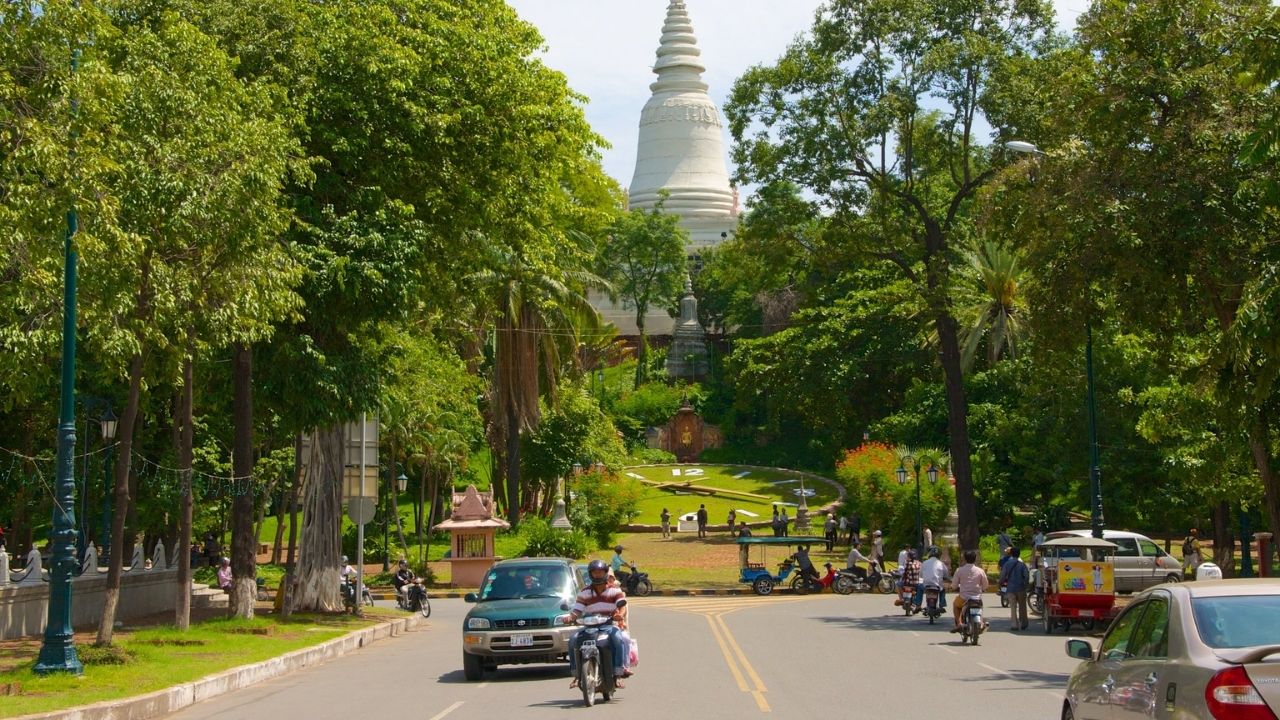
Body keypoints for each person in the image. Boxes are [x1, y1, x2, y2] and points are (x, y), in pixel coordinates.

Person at [568, 559, 629, 689]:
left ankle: (618, 673)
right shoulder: (584, 592)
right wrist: (570, 617)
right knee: (573, 640)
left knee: (618, 639)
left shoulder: (614, 590)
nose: (597, 575)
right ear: (590, 574)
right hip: (589, 626)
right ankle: (577, 675)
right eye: (595, 573)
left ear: (605, 573)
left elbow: (622, 605)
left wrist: (620, 615)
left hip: (608, 624)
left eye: (600, 572)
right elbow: (577, 609)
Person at [950, 549, 990, 633]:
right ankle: (981, 624)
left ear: (964, 559)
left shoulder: (959, 570)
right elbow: (985, 585)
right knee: (980, 608)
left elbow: (954, 585)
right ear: (975, 559)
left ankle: (959, 623)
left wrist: (953, 587)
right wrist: (983, 588)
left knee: (955, 606)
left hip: (964, 598)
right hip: (977, 598)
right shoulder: (980, 571)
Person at [1000, 546, 1030, 631]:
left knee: (1013, 607)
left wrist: (1000, 583)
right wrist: (1025, 584)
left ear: (1011, 554)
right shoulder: (1022, 564)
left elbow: (1002, 576)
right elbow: (1026, 576)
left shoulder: (1007, 564)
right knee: (1022, 607)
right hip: (1021, 588)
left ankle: (1014, 625)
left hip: (1011, 588)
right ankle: (1023, 623)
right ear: (1019, 554)